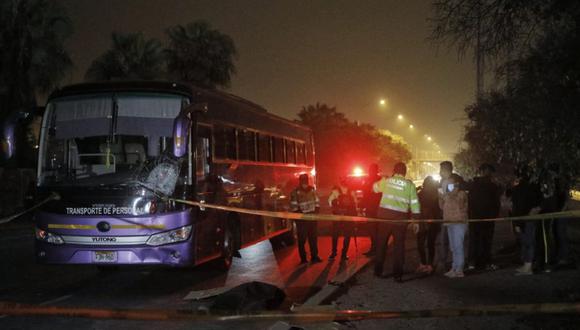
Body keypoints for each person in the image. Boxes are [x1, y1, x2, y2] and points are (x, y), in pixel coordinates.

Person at [373, 162, 421, 283]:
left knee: (381, 245)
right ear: (404, 172)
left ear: (394, 171)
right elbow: (415, 203)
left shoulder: (387, 181)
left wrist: (381, 180)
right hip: (401, 220)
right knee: (399, 247)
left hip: (384, 219)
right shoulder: (409, 185)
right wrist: (416, 220)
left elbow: (374, 189)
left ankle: (378, 271)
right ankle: (397, 275)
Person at [467, 163, 501, 271]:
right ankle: (485, 262)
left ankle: (472, 263)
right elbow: (496, 203)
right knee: (486, 241)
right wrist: (494, 215)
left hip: (475, 218)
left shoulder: (473, 185)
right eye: (489, 171)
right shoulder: (493, 186)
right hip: (488, 219)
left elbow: (470, 202)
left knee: (474, 240)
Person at [511, 165, 542, 275]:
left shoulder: (518, 189)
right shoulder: (534, 187)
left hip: (522, 219)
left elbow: (516, 207)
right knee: (528, 242)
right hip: (530, 219)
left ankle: (528, 267)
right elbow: (539, 203)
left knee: (527, 242)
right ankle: (526, 265)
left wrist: (517, 223)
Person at [439, 173, 468, 278]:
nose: (448, 185)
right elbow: (442, 207)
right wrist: (441, 198)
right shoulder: (447, 194)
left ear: (457, 183)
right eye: (447, 183)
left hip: (459, 223)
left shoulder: (461, 193)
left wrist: (451, 192)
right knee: (453, 247)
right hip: (449, 222)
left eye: (451, 183)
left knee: (458, 246)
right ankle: (454, 267)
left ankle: (459, 270)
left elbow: (460, 203)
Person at [290, 174, 322, 265]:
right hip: (302, 220)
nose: (305, 182)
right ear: (300, 181)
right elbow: (294, 207)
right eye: (303, 180)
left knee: (313, 239)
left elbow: (317, 203)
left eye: (306, 180)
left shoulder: (312, 190)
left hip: (312, 218)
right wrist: (300, 218)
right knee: (302, 240)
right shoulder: (295, 192)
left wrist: (316, 213)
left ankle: (314, 257)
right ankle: (303, 259)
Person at [415, 176, 441, 274]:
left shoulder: (420, 194)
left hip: (422, 221)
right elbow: (438, 209)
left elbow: (415, 207)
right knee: (431, 244)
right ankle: (430, 265)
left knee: (420, 244)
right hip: (432, 222)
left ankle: (423, 263)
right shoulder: (436, 194)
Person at [328, 177, 357, 261]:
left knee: (335, 235)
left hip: (338, 217)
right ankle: (344, 254)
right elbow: (355, 205)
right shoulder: (352, 192)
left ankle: (333, 253)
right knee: (347, 236)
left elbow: (330, 202)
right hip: (348, 218)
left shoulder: (335, 191)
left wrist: (336, 209)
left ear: (340, 183)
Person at [361, 163, 382, 256]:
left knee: (376, 230)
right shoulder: (367, 180)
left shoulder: (380, 180)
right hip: (370, 208)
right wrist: (363, 205)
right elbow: (365, 194)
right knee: (372, 230)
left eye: (372, 170)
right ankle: (374, 248)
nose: (370, 172)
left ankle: (377, 249)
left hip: (377, 208)